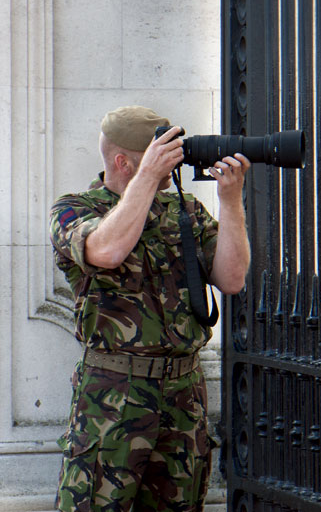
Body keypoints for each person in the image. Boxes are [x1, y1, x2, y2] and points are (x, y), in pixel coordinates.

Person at [49, 105, 251, 512]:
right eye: (158, 154)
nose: (171, 162)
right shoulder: (75, 209)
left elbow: (231, 279)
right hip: (112, 394)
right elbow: (106, 250)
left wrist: (230, 201)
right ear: (123, 162)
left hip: (183, 394)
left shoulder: (184, 212)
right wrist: (145, 178)